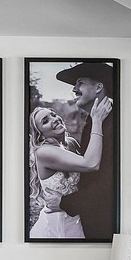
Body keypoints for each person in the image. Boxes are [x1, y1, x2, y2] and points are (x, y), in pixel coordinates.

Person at [29, 98, 112, 239]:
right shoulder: (44, 152)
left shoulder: (71, 143)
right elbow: (91, 164)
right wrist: (97, 120)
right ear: (40, 134)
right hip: (57, 222)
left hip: (77, 215)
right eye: (45, 121)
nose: (54, 119)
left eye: (53, 114)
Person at [52, 61, 117, 239]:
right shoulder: (95, 122)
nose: (74, 89)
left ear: (98, 87)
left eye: (80, 82)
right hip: (92, 220)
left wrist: (65, 203)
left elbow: (109, 181)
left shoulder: (114, 124)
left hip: (105, 224)